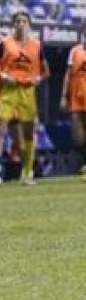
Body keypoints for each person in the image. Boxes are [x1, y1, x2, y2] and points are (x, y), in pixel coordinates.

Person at [0, 11, 50, 186]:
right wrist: (3, 75)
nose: (21, 24)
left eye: (24, 21)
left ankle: (27, 174)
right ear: (13, 24)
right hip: (8, 92)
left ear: (29, 24)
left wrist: (38, 79)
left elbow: (46, 71)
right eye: (17, 21)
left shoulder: (37, 45)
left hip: (27, 92)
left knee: (27, 135)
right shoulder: (4, 43)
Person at [60, 21, 86, 181]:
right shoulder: (75, 51)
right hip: (77, 95)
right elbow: (68, 74)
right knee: (78, 136)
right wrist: (64, 96)